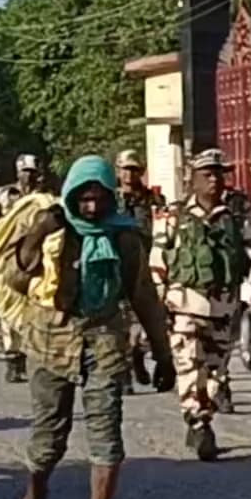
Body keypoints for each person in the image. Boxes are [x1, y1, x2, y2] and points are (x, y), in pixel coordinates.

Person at [1, 154, 174, 499]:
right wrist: (39, 233)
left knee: (107, 437)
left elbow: (142, 295)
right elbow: (16, 277)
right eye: (84, 199)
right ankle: (34, 497)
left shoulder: (125, 237)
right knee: (48, 441)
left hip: (104, 338)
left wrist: (162, 354)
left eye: (99, 198)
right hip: (51, 338)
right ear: (71, 196)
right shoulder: (52, 229)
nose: (92, 207)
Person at [160, 149, 251, 460]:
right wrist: (156, 303)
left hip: (223, 308)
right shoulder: (173, 217)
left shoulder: (234, 219)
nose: (215, 180)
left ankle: (204, 414)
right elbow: (157, 261)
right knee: (190, 364)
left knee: (216, 373)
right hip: (184, 306)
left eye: (220, 174)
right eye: (208, 174)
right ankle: (199, 422)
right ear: (192, 180)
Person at [0, 153, 48, 384]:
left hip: (37, 259)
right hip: (7, 258)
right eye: (25, 171)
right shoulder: (3, 195)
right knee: (9, 310)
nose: (28, 176)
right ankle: (13, 359)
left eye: (32, 172)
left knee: (39, 307)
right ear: (17, 172)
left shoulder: (43, 198)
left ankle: (38, 357)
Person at [113, 150, 166, 388]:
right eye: (125, 169)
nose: (129, 174)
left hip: (150, 267)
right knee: (121, 321)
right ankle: (124, 370)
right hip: (120, 265)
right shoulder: (111, 200)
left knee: (152, 319)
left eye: (134, 169)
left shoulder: (154, 200)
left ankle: (140, 354)